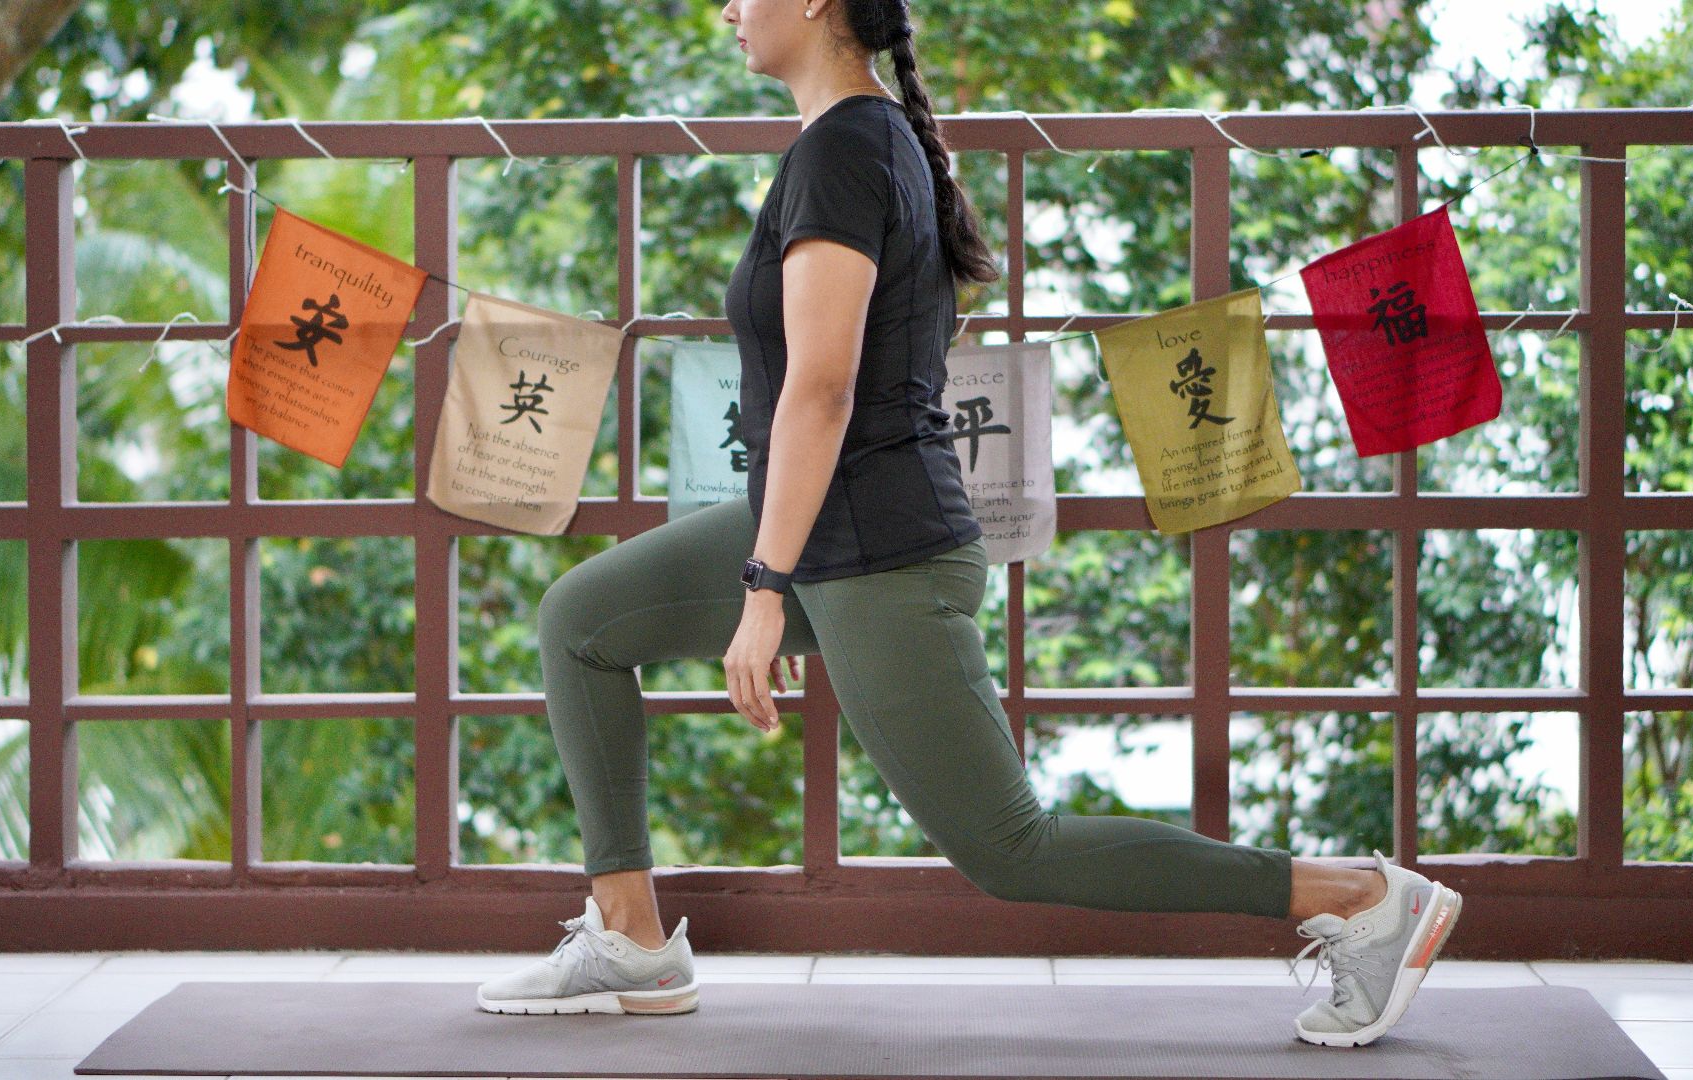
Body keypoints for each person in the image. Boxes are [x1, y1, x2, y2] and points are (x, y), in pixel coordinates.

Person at [476, 0, 1464, 1049]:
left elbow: (822, 389)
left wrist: (764, 592)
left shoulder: (848, 148)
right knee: (581, 618)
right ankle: (629, 935)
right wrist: (776, 566)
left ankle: (1358, 896)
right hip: (823, 529)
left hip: (880, 550)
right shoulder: (859, 141)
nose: (726, 7)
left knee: (1011, 849)